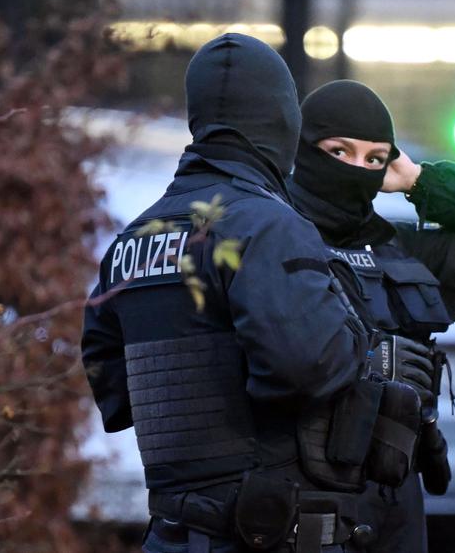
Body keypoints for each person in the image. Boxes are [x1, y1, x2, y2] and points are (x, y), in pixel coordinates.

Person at [82, 35, 375, 553]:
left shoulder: (135, 237)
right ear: (279, 119)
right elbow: (307, 364)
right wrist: (361, 343)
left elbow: (112, 383)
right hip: (264, 532)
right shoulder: (267, 226)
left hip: (171, 533)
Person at [286, 80, 455, 553]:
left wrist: (420, 181)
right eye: (339, 151)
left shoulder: (397, 249)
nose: (358, 169)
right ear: (304, 150)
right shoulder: (272, 238)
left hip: (392, 492)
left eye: (374, 159)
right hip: (298, 492)